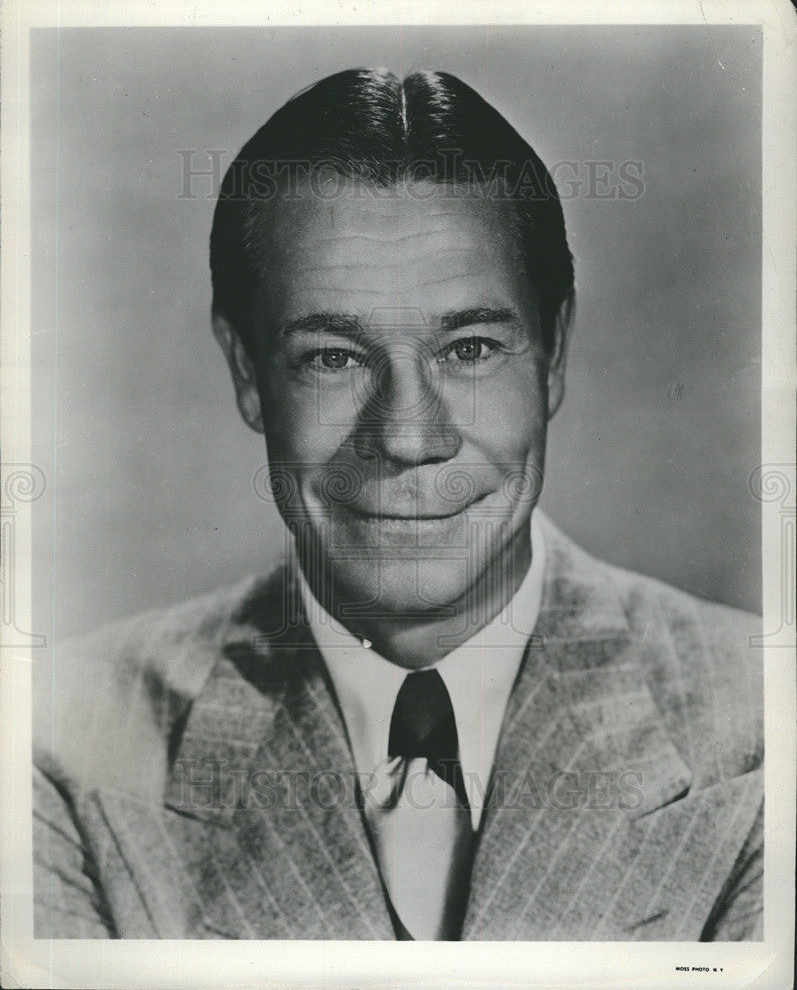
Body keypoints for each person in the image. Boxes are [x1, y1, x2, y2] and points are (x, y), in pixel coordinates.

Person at [33, 68, 763, 941]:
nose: (409, 435)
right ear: (246, 373)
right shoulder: (62, 746)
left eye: (470, 348)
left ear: (554, 355)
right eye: (332, 358)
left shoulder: (765, 733)